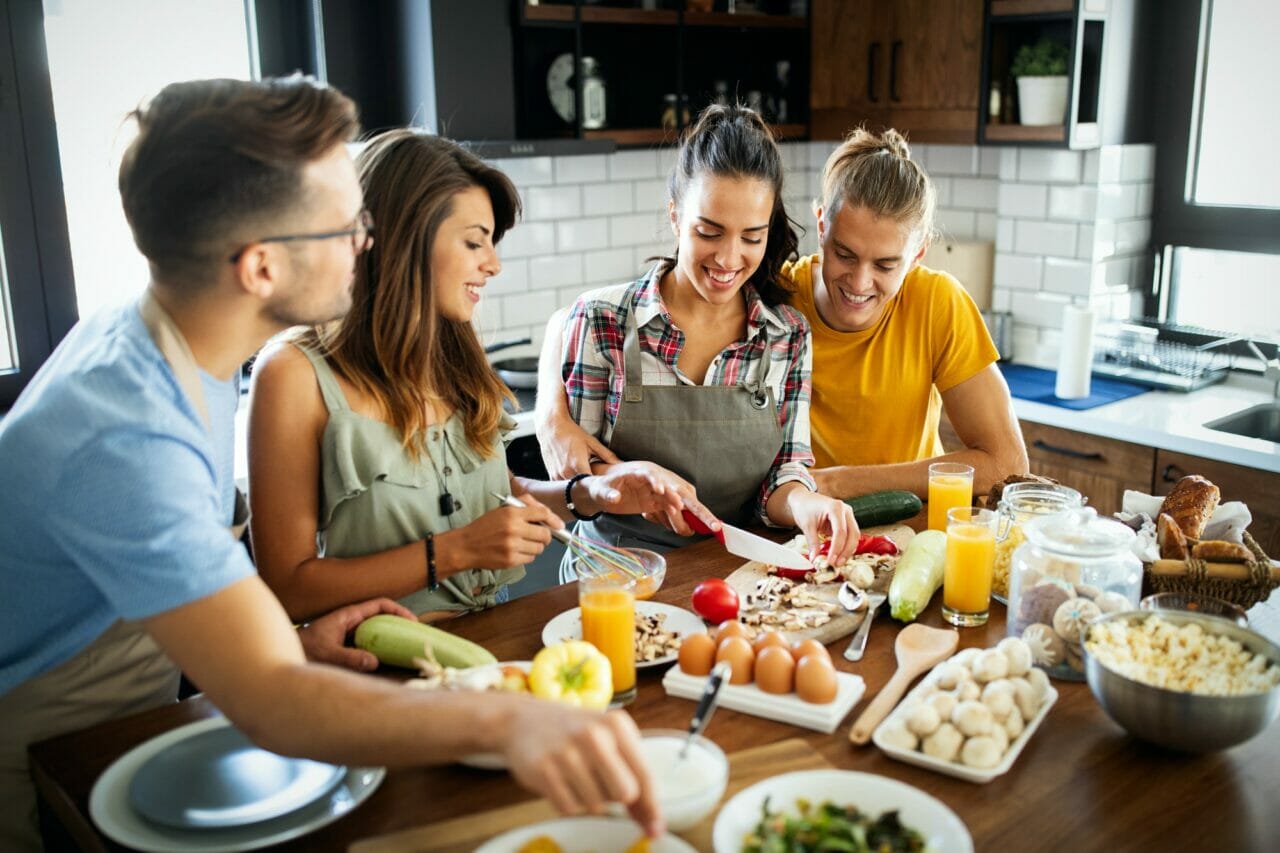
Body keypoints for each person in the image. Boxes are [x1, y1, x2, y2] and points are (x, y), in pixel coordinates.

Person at [0, 78, 659, 852]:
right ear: (260, 267)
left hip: (139, 700)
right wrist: (506, 715)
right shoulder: (128, 432)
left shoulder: (174, 338)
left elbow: (211, 614)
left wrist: (292, 647)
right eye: (343, 226)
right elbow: (272, 696)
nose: (367, 244)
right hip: (37, 727)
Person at [248, 129, 687, 623]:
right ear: (402, 237)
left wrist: (591, 494)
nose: (493, 264)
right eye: (474, 242)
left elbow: (493, 493)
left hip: (489, 640)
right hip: (380, 668)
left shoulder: (450, 353)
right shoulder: (293, 375)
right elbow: (285, 590)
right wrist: (452, 552)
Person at [538, 127, 1026, 503]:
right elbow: (576, 318)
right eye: (845, 254)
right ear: (821, 224)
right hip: (794, 534)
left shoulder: (937, 303)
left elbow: (1006, 462)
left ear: (918, 254)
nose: (858, 283)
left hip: (903, 520)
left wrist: (834, 485)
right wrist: (551, 415)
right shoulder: (776, 297)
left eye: (885, 265)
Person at [551, 104, 857, 581]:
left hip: (734, 577)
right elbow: (575, 478)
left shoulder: (786, 335)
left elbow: (782, 473)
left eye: (752, 237)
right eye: (708, 232)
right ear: (675, 216)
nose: (729, 258)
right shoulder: (603, 322)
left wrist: (807, 504)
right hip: (614, 577)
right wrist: (629, 483)